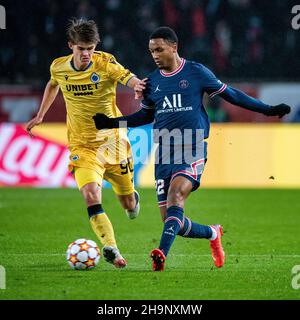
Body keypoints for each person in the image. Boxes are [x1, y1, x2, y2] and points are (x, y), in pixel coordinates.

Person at [92, 26, 291, 271]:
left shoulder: (196, 72)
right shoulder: (152, 82)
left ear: (174, 47)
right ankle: (212, 233)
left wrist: (267, 109)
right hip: (164, 151)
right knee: (172, 222)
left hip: (191, 145)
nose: (154, 55)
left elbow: (232, 95)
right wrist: (113, 123)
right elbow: (145, 116)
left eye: (159, 49)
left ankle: (160, 254)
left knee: (176, 196)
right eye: (151, 50)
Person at [26, 18, 144, 268]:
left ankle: (132, 197)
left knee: (129, 206)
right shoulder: (58, 67)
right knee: (91, 195)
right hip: (83, 147)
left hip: (113, 145)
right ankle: (112, 247)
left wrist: (138, 86)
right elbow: (52, 84)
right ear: (71, 45)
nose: (87, 54)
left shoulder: (104, 63)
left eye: (91, 48)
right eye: (82, 49)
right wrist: (41, 114)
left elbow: (126, 77)